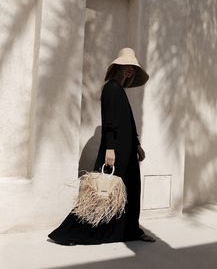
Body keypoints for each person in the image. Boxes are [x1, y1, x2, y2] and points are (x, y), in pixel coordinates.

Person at [47, 47, 156, 245]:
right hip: (117, 152)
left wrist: (137, 145)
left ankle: (131, 231)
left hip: (128, 150)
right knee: (100, 194)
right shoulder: (111, 88)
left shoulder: (119, 90)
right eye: (126, 66)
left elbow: (127, 122)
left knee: (131, 191)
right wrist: (110, 149)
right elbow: (110, 122)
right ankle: (67, 234)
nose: (130, 70)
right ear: (118, 67)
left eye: (132, 67)